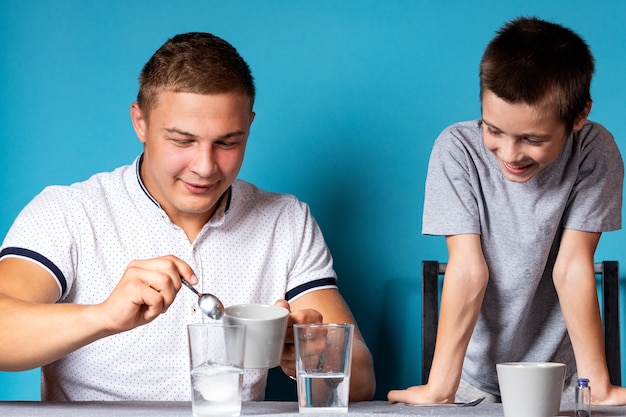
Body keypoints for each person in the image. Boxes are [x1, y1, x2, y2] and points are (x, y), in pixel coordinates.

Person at [0, 32, 375, 402]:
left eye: (228, 142)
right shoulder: (68, 212)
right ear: (140, 122)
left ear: (249, 127)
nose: (205, 167)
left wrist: (308, 353)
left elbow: (360, 377)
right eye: (182, 141)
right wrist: (103, 317)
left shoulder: (286, 220)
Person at [388, 17, 626, 405]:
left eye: (532, 139)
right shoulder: (456, 149)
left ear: (579, 117)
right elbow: (467, 268)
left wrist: (595, 386)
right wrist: (440, 388)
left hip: (561, 380)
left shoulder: (595, 150)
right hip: (471, 379)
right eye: (493, 129)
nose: (511, 154)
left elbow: (571, 267)